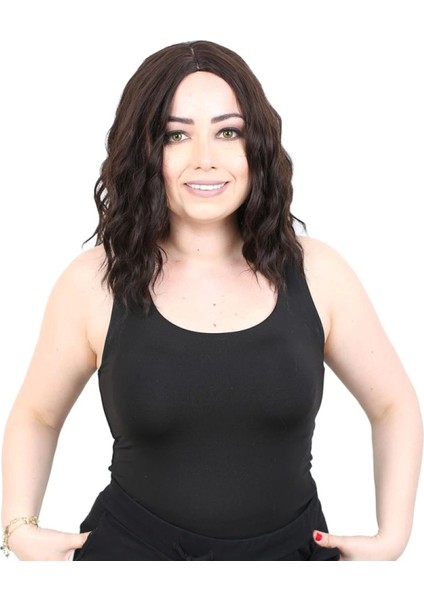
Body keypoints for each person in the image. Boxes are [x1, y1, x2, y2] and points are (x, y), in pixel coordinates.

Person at [1, 40, 422, 562]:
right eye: (176, 135)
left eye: (228, 132)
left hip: (292, 572)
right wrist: (18, 528)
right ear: (145, 151)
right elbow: (37, 415)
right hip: (129, 571)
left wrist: (393, 538)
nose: (205, 159)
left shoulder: (319, 272)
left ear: (256, 145)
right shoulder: (93, 281)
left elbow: (394, 405)